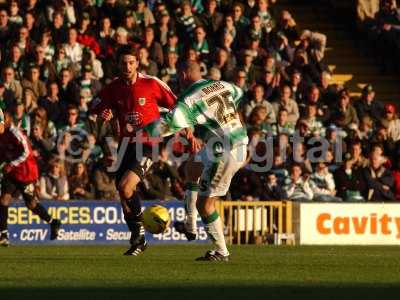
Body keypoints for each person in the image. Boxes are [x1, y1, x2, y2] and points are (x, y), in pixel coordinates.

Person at [143, 61, 248, 261]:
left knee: (206, 205)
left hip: (224, 151)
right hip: (236, 142)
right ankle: (190, 225)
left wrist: (144, 127)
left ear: (183, 75)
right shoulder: (223, 85)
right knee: (193, 166)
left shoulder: (190, 97)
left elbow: (169, 124)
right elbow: (239, 93)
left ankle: (221, 252)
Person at [90, 45, 176, 256]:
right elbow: (94, 105)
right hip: (126, 146)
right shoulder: (114, 87)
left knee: (125, 186)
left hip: (148, 145)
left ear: (138, 63)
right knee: (123, 193)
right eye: (123, 63)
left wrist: (186, 132)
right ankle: (138, 239)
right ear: (118, 65)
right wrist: (104, 112)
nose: (127, 66)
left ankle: (140, 232)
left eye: (131, 62)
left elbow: (176, 105)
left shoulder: (151, 83)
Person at [0, 111, 61, 247]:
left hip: (26, 173)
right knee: (4, 199)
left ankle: (53, 222)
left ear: (8, 119)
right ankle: (3, 235)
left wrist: (11, 164)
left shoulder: (15, 132)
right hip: (12, 173)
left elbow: (27, 152)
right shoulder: (2, 135)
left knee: (31, 204)